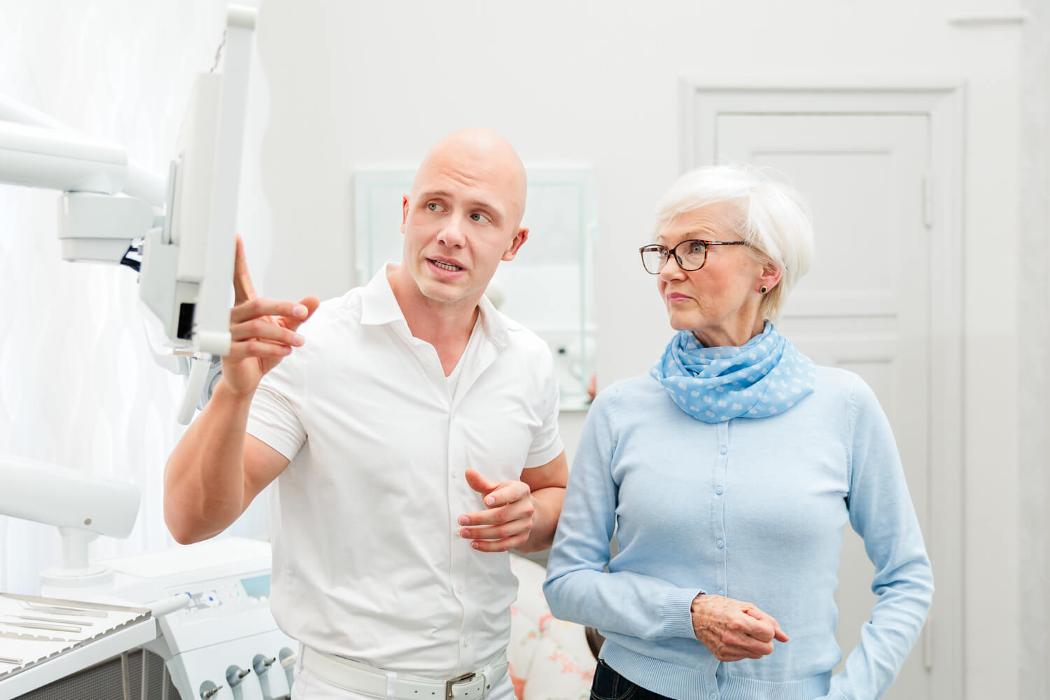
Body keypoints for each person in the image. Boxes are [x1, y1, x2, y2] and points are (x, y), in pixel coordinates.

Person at [164, 129, 569, 700]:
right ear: (406, 214)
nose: (451, 233)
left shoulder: (526, 359)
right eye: (435, 206)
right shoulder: (314, 346)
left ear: (514, 242)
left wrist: (531, 518)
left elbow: (553, 492)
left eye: (480, 217)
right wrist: (233, 393)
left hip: (489, 687)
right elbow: (188, 520)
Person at [543, 165, 933, 700]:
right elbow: (567, 584)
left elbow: (908, 578)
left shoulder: (843, 406)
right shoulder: (618, 411)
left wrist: (852, 692)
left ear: (767, 271)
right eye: (663, 252)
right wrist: (689, 613)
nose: (669, 272)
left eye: (695, 248)